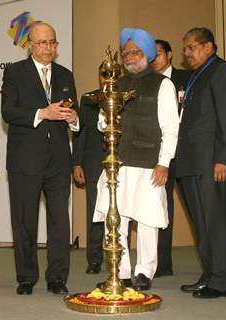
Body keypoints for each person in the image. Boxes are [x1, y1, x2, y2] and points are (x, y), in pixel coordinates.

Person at [94, 28, 179, 291]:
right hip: (118, 163)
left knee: (146, 219)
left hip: (150, 164)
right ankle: (121, 271)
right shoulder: (115, 85)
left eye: (135, 52)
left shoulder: (162, 84)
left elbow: (171, 128)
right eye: (126, 52)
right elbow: (101, 123)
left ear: (147, 54)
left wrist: (164, 162)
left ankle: (144, 271)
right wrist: (108, 118)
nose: (130, 57)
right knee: (116, 216)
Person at [1, 21, 79, 295]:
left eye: (53, 42)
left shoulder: (65, 75)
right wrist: (41, 113)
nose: (49, 48)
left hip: (58, 160)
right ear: (30, 45)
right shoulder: (14, 73)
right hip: (25, 159)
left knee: (60, 221)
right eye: (43, 43)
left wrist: (73, 119)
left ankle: (57, 277)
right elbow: (8, 112)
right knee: (24, 220)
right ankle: (26, 277)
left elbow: (75, 113)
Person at [176, 27, 226, 299]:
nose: (187, 53)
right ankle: (209, 274)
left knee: (217, 222)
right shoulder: (197, 76)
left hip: (214, 164)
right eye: (186, 48)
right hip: (193, 163)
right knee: (202, 224)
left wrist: (223, 159)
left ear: (209, 47)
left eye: (192, 47)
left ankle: (221, 282)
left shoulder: (223, 72)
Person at [150, 39, 191, 278]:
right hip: (160, 154)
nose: (154, 59)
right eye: (150, 55)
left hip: (186, 154)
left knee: (196, 208)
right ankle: (162, 264)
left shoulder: (187, 78)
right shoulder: (147, 82)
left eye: (157, 54)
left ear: (170, 54)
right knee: (161, 208)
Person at [72, 66, 107, 275]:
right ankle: (94, 259)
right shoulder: (88, 99)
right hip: (93, 163)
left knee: (122, 213)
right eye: (103, 74)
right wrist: (77, 163)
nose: (106, 78)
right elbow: (80, 134)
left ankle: (120, 261)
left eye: (111, 74)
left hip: (122, 164)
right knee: (95, 211)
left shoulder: (127, 96)